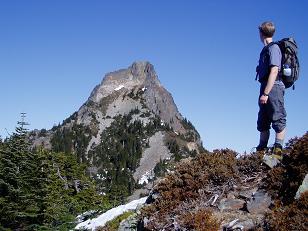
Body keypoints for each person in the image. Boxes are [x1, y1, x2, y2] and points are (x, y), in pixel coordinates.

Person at [256, 21, 286, 153]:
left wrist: (266, 93)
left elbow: (274, 70)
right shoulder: (266, 50)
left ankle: (277, 152)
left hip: (274, 87)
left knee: (278, 119)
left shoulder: (274, 48)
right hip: (265, 86)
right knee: (263, 121)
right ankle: (261, 150)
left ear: (261, 33)